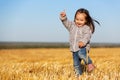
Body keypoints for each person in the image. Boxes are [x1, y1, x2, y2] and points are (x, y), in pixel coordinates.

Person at [59, 8, 100, 79]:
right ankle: (79, 76)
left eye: (81, 20)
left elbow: (87, 36)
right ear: (74, 18)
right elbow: (66, 23)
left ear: (86, 20)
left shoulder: (86, 28)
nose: (78, 21)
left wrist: (83, 42)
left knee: (81, 54)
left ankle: (89, 63)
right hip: (74, 49)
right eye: (77, 19)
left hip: (82, 47)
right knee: (76, 64)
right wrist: (64, 17)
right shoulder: (72, 26)